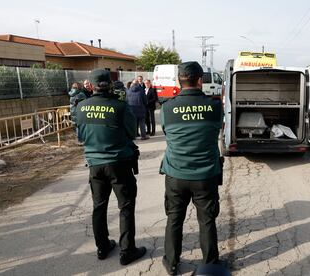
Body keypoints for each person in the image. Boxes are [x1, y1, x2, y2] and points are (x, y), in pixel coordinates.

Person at [76, 69, 146, 266]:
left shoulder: (81, 107)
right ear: (109, 83)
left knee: (99, 206)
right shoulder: (120, 106)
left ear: (90, 85)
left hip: (95, 165)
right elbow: (132, 132)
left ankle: (102, 247)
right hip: (119, 163)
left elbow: (80, 136)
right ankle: (127, 250)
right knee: (125, 206)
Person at [160, 61, 223, 275]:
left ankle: (171, 262)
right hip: (206, 175)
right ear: (200, 80)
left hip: (176, 173)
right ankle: (210, 263)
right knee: (206, 220)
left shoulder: (167, 107)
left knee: (174, 218)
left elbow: (168, 133)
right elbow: (216, 130)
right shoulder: (215, 106)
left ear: (180, 80)